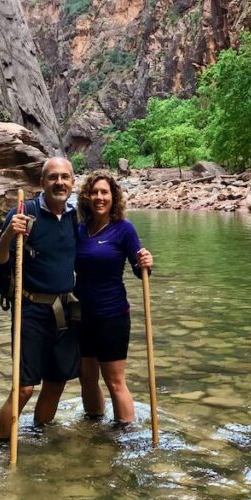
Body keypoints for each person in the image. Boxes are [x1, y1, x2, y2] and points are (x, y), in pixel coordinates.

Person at [0, 157, 79, 440]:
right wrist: (9, 233)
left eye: (65, 177)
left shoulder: (74, 217)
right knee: (25, 387)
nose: (59, 182)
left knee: (57, 382)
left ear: (73, 183)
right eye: (53, 177)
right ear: (42, 182)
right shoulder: (23, 214)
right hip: (30, 309)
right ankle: (1, 447)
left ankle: (40, 436)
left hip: (66, 311)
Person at [75, 170, 153, 425]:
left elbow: (138, 269)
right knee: (86, 376)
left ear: (113, 197)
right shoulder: (78, 230)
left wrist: (146, 263)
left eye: (104, 193)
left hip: (112, 315)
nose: (99, 197)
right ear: (86, 197)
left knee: (115, 380)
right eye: (94, 192)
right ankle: (94, 422)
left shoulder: (123, 229)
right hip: (81, 316)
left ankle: (127, 435)